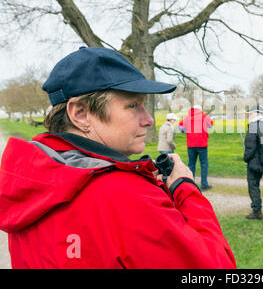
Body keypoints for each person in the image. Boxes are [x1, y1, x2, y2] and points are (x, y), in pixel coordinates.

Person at [0, 47, 236, 269]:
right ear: (81, 113)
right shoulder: (125, 195)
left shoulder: (31, 184)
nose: (149, 119)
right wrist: (185, 188)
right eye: (133, 105)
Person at [179, 105, 214, 191]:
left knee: (191, 164)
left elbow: (180, 127)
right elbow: (211, 125)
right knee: (204, 164)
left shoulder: (187, 117)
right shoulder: (205, 116)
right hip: (202, 144)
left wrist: (185, 131)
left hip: (190, 144)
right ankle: (204, 184)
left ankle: (191, 183)